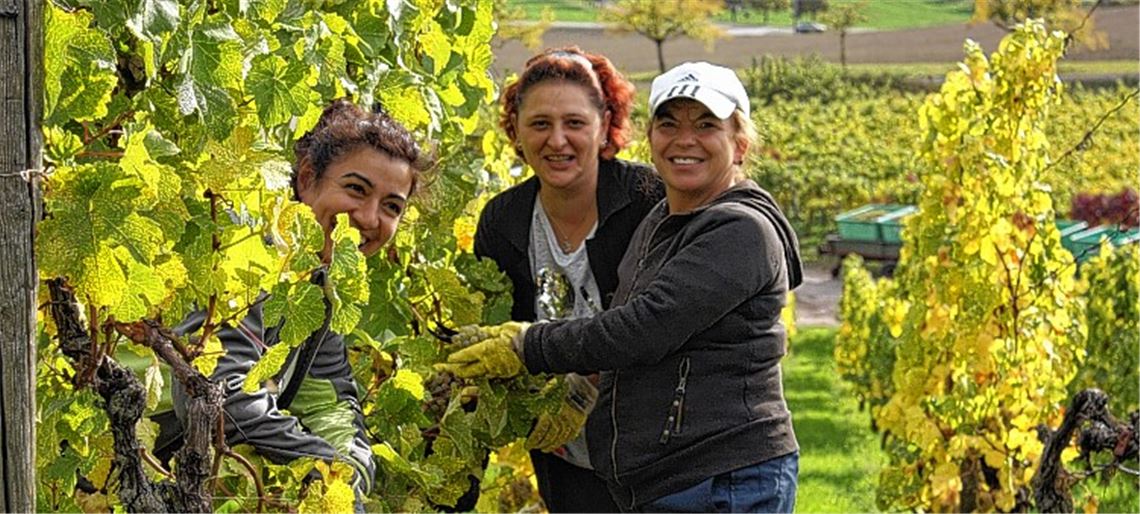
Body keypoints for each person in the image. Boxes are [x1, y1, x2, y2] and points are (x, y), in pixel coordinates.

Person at [439, 61, 804, 513]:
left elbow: (643, 328)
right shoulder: (663, 221)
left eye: (706, 125)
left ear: (741, 142)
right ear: (650, 139)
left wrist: (526, 345)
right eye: (668, 124)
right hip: (663, 476)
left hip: (720, 475)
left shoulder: (739, 231)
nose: (685, 139)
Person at [168, 99, 430, 505]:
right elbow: (216, 394)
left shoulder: (318, 283)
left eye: (391, 206)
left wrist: (349, 471)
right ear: (307, 179)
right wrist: (321, 466)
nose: (369, 217)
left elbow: (329, 398)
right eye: (356, 189)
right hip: (117, 474)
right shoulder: (247, 252)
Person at [471, 47, 664, 513]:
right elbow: (500, 334)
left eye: (574, 123)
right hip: (564, 458)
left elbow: (664, 325)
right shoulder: (503, 221)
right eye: (540, 124)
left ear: (604, 127)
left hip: (657, 457)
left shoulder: (648, 201)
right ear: (516, 130)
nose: (557, 140)